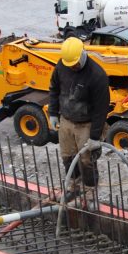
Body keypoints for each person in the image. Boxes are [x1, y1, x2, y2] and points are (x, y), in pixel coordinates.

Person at [48, 37, 110, 205]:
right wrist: (53, 113)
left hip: (86, 124)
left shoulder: (97, 75)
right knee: (68, 156)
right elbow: (54, 89)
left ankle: (90, 190)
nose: (73, 67)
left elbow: (101, 109)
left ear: (83, 53)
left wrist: (95, 136)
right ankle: (74, 187)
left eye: (75, 64)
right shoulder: (62, 66)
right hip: (67, 120)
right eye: (70, 65)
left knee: (87, 160)